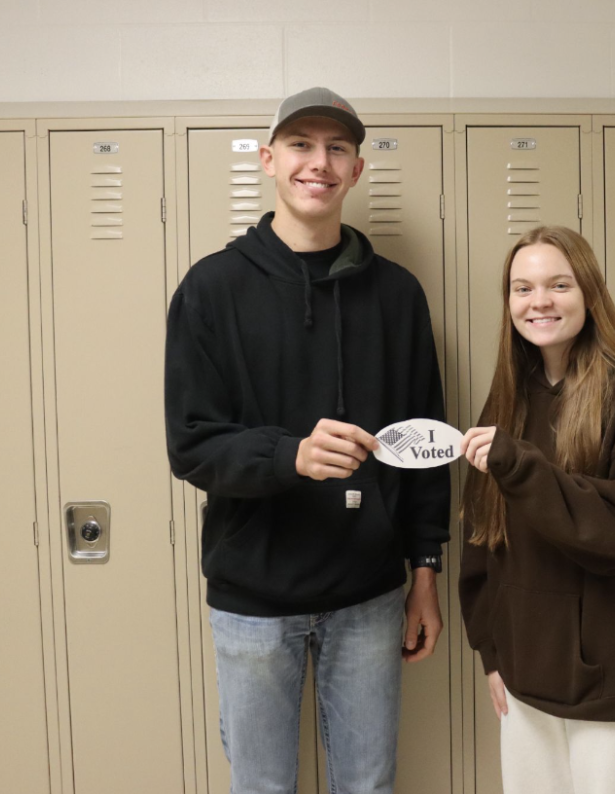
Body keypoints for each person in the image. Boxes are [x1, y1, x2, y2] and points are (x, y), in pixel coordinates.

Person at [164, 87, 449, 794]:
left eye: (336, 148)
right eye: (300, 145)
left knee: (369, 785)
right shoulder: (210, 290)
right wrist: (288, 455)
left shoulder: (398, 296)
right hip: (254, 603)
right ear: (268, 160)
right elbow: (191, 446)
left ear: (356, 170)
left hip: (370, 597)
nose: (317, 163)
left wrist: (425, 572)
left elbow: (424, 446)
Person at [457, 225, 615, 794]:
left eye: (558, 284)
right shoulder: (509, 397)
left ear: (589, 292)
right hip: (524, 680)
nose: (538, 301)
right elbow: (482, 536)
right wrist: (491, 653)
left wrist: (521, 466)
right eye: (522, 288)